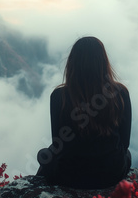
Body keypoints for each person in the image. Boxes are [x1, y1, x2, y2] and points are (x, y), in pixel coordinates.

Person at [36, 36, 132, 189]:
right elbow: (125, 143)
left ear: (72, 63)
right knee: (127, 156)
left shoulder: (59, 97)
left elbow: (57, 144)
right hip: (111, 174)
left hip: (71, 177)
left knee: (43, 154)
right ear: (103, 62)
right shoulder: (120, 93)